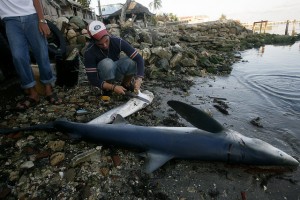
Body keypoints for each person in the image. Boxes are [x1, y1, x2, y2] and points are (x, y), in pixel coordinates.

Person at [0, 0, 62, 110]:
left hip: (31, 16)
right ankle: (32, 93)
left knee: (41, 53)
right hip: (10, 20)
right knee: (18, 56)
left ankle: (48, 88)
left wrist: (42, 20)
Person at [84, 20, 144, 97]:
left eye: (106, 41)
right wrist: (113, 87)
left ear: (108, 34)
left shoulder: (117, 41)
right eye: (100, 44)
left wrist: (139, 79)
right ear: (93, 41)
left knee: (132, 61)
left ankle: (126, 84)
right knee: (107, 63)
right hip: (102, 76)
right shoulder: (89, 52)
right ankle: (107, 89)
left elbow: (139, 59)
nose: (105, 45)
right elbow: (93, 79)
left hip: (116, 71)